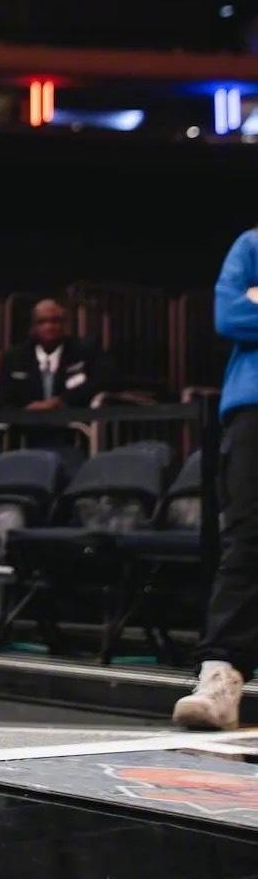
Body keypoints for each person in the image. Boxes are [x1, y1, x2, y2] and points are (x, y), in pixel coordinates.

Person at [173, 230, 258, 730]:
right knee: (248, 536)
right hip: (254, 407)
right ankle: (220, 675)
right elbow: (230, 316)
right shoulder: (253, 244)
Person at [0, 298, 106, 411]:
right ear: (33, 327)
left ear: (65, 324)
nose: (49, 327)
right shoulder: (13, 358)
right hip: (25, 420)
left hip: (75, 419)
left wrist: (61, 401)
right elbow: (4, 401)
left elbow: (101, 383)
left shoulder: (86, 351)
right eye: (41, 322)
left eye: (55, 321)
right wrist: (28, 410)